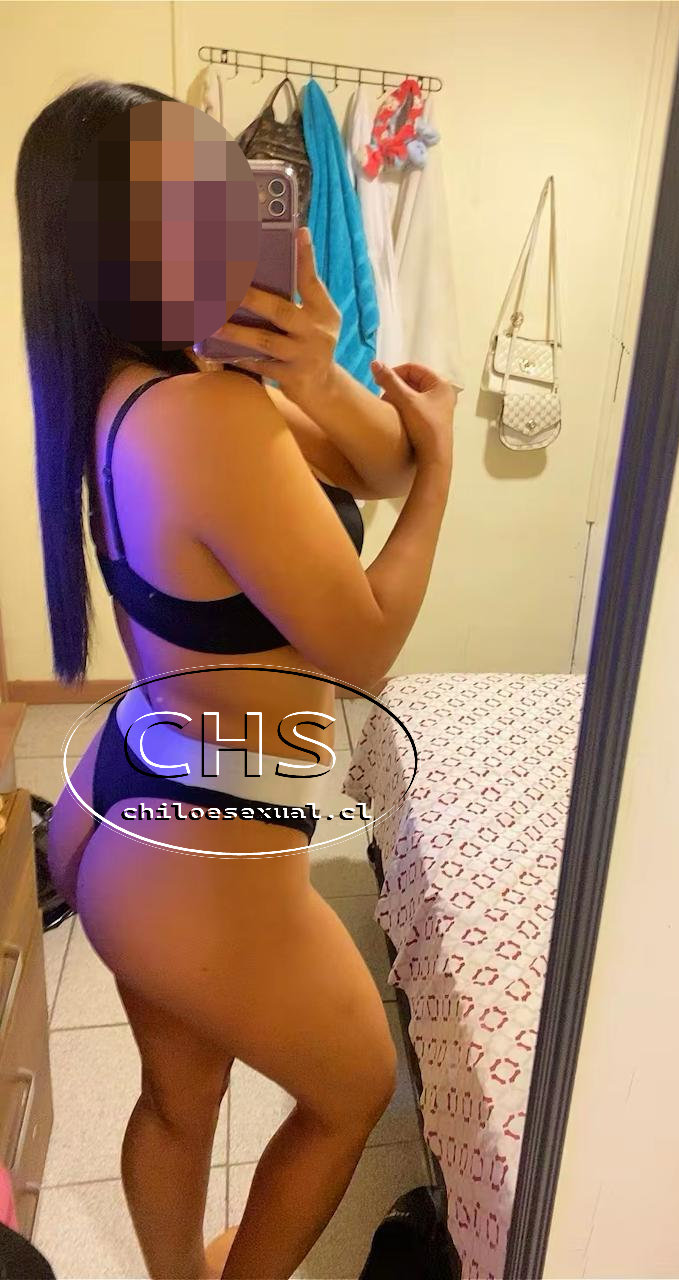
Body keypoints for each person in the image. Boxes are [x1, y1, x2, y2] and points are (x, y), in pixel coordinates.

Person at [16, 79, 456, 1280]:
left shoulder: (140, 385)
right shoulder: (210, 412)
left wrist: (316, 366)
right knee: (353, 1085)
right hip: (203, 840)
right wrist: (443, 484)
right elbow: (364, 641)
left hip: (132, 799)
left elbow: (369, 463)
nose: (236, 219)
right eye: (197, 199)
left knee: (179, 1096)